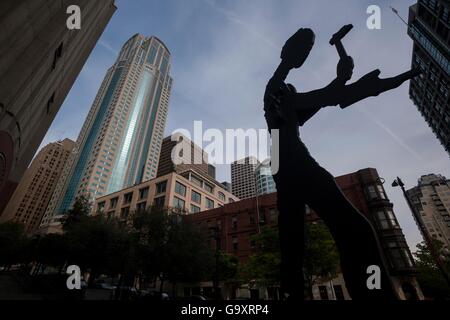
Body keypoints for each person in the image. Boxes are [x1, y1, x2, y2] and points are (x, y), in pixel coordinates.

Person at [264, 28, 420, 300]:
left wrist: (341, 79)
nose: (304, 54)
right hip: (291, 160)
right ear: (288, 50)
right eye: (302, 48)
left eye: (308, 50)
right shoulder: (276, 88)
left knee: (293, 242)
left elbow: (325, 98)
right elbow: (324, 96)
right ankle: (373, 293)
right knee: (355, 230)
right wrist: (341, 80)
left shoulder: (286, 101)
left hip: (282, 162)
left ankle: (295, 293)